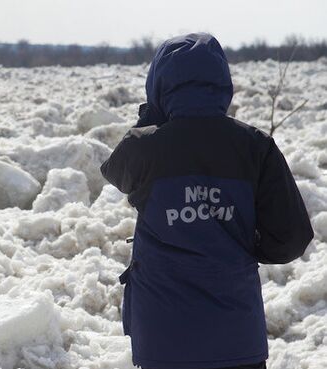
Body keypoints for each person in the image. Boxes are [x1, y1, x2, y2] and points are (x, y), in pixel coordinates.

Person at [100, 33, 314, 369]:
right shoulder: (256, 146)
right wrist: (240, 248)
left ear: (158, 84)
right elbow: (291, 239)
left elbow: (115, 172)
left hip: (163, 341)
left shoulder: (143, 146)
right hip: (237, 338)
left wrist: (153, 118)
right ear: (222, 85)